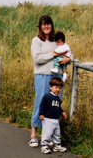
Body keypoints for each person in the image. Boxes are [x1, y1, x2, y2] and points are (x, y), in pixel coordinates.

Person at [29, 15, 72, 148]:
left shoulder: (57, 40)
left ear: (51, 25)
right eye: (43, 24)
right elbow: (37, 58)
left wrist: (67, 60)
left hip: (57, 77)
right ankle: (34, 135)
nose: (46, 27)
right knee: (41, 102)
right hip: (42, 76)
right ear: (40, 26)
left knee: (55, 104)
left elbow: (67, 51)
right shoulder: (37, 41)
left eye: (48, 24)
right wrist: (53, 55)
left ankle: (51, 136)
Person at [39, 77, 67, 154]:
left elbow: (58, 107)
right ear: (50, 87)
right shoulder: (47, 96)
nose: (58, 90)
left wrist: (62, 112)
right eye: (56, 87)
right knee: (47, 132)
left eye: (59, 88)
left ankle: (56, 145)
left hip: (55, 119)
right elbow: (42, 105)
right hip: (48, 118)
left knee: (56, 133)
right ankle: (44, 145)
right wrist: (41, 114)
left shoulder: (58, 98)